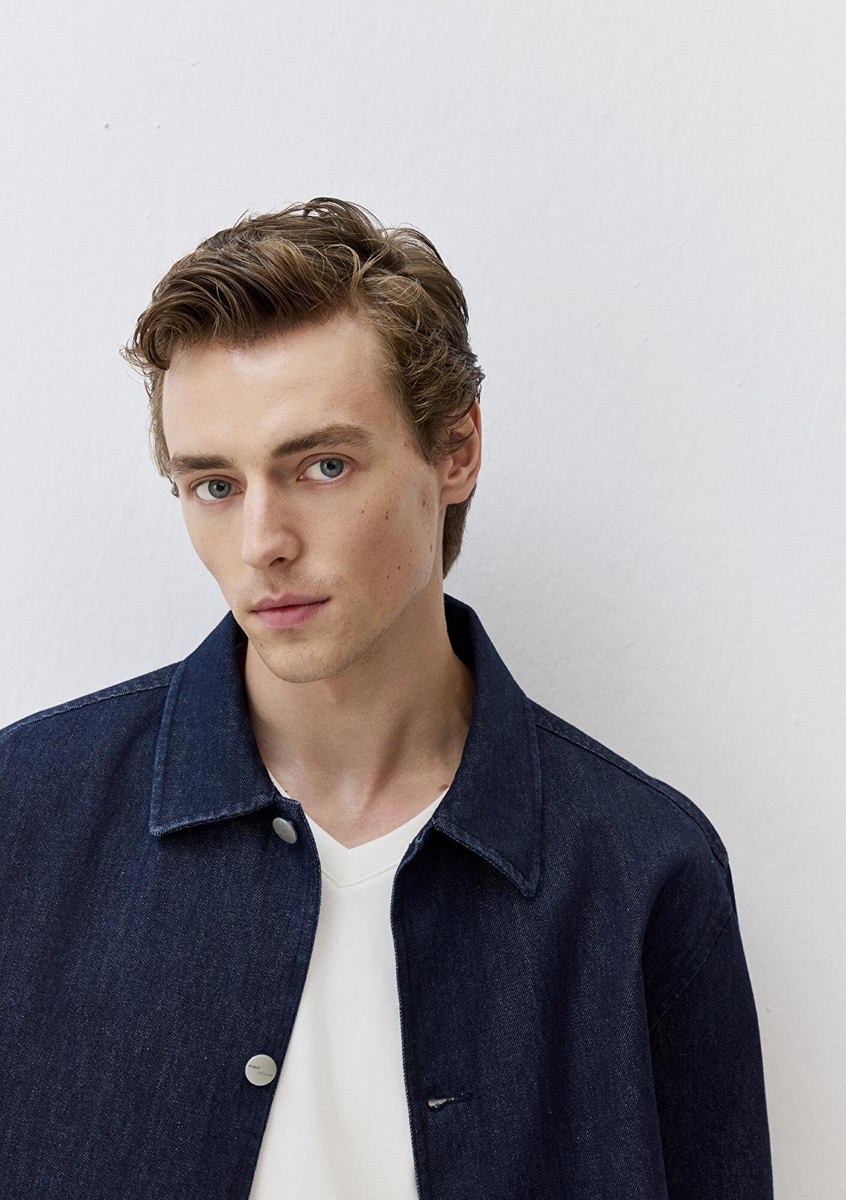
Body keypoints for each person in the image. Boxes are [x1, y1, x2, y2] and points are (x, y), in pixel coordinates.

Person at [0, 198, 773, 1200]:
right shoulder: (28, 816)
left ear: (455, 451)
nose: (263, 544)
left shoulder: (641, 872)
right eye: (215, 485)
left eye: (322, 466)